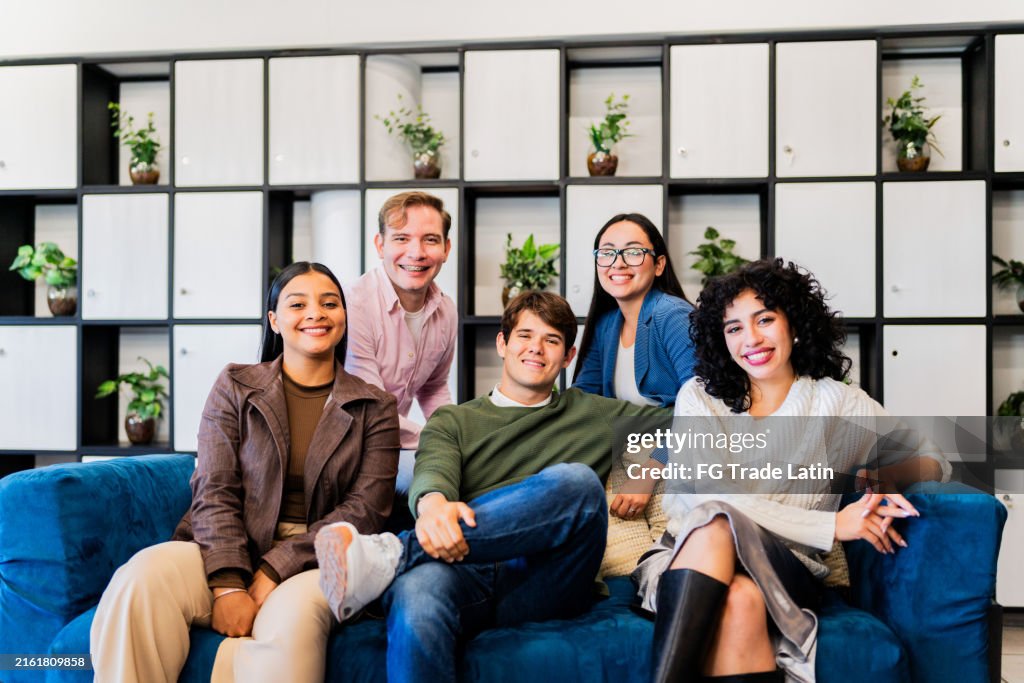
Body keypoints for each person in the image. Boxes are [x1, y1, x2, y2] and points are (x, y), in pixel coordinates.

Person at [313, 291, 672, 683]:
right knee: (417, 593)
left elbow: (690, 420)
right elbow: (433, 477)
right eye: (525, 336)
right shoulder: (454, 421)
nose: (536, 348)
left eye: (551, 341)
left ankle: (395, 552)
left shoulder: (592, 413)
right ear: (503, 344)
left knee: (577, 481)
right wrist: (433, 509)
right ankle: (405, 559)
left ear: (567, 357)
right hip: (464, 566)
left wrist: (649, 466)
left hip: (552, 576)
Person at [636, 259, 949, 683]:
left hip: (788, 566)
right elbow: (710, 499)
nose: (751, 339)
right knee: (737, 590)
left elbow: (934, 458)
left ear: (794, 323)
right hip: (692, 557)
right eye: (734, 328)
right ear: (720, 340)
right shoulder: (699, 397)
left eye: (765, 319)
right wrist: (832, 525)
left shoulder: (838, 404)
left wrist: (889, 475)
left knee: (717, 528)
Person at [90, 262, 400, 683]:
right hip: (225, 541)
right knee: (141, 577)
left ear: (344, 318)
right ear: (274, 320)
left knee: (293, 618)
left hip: (316, 559)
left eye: (330, 303)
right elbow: (214, 487)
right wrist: (230, 585)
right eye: (298, 303)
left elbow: (366, 511)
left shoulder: (375, 407)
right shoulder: (235, 385)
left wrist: (274, 568)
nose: (316, 313)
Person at [344, 191, 457, 490]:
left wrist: (455, 433)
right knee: (448, 476)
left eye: (430, 240)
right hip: (351, 450)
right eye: (402, 238)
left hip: (400, 447)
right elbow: (372, 413)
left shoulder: (446, 310)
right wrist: (441, 444)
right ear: (380, 245)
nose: (416, 252)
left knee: (471, 469)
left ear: (446, 248)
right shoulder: (354, 306)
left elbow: (433, 388)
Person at [573, 212, 696, 408]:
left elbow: (704, 404)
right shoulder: (606, 324)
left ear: (659, 265)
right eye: (607, 253)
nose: (618, 263)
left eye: (634, 252)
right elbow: (583, 398)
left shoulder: (672, 315)